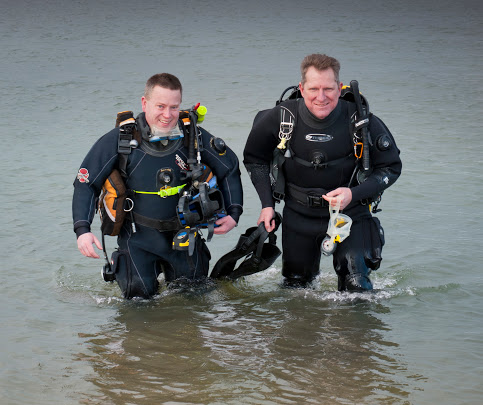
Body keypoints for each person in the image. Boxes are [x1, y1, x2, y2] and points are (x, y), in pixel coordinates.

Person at [73, 73, 243, 298]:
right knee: (138, 302)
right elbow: (85, 182)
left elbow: (229, 167)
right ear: (144, 103)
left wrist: (233, 213)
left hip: (184, 238)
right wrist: (82, 230)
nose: (167, 115)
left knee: (193, 302)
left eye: (174, 107)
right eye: (160, 106)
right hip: (137, 239)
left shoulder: (193, 136)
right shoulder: (120, 140)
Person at [243, 53, 401, 291]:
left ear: (339, 88)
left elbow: (391, 167)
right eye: (313, 88)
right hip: (298, 215)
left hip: (351, 216)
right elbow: (254, 160)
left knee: (356, 287)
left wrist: (353, 194)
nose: (321, 97)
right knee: (295, 289)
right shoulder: (281, 117)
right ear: (302, 88)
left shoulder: (361, 120)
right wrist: (267, 205)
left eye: (328, 89)